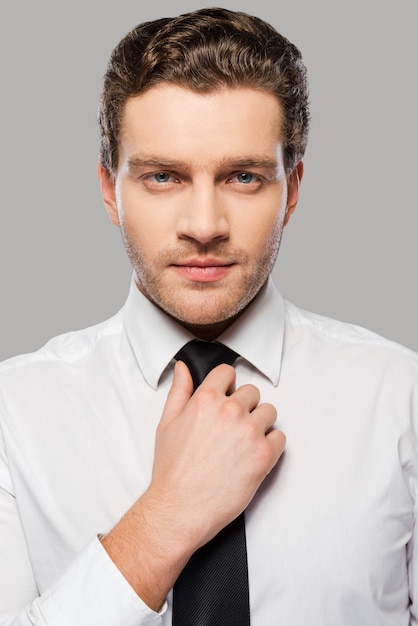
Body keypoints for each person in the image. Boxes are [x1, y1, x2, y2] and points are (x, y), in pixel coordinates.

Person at [0, 6, 417, 625]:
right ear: (111, 190)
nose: (203, 226)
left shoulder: (400, 395)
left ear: (293, 189)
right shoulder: (14, 413)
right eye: (163, 176)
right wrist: (166, 517)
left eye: (243, 177)